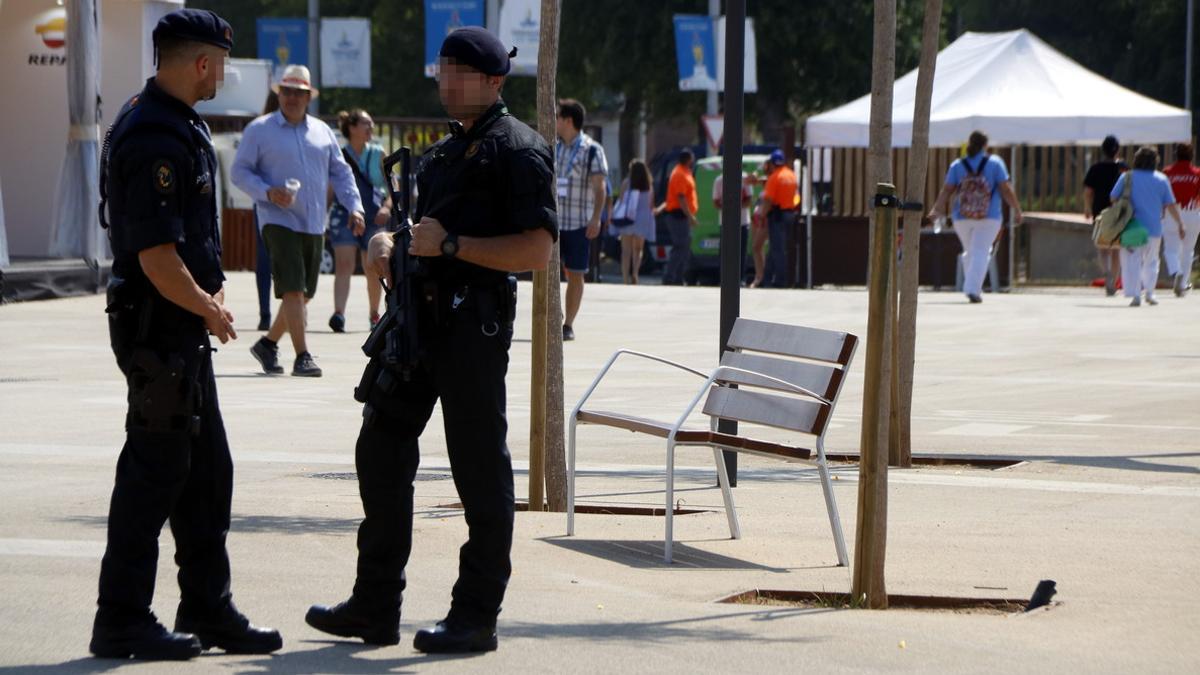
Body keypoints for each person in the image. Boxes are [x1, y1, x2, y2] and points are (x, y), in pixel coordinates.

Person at [304, 26, 556, 654]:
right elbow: (419, 229)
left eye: (459, 72)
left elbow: (538, 249)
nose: (445, 81)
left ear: (494, 82)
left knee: (478, 468)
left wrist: (451, 246)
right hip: (417, 322)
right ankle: (374, 603)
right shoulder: (445, 153)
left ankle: (475, 615)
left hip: (473, 328)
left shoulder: (517, 149)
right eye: (442, 69)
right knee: (381, 450)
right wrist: (389, 243)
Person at [90, 9, 281, 660]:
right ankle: (121, 616)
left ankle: (207, 607)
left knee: (206, 472)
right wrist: (207, 303)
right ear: (202, 62)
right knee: (154, 473)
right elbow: (153, 253)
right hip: (158, 330)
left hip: (180, 327)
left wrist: (206, 295)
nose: (222, 74)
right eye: (221, 63)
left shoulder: (173, 122)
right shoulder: (151, 134)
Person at [232, 64, 364, 377]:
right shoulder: (259, 129)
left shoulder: (322, 132)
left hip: (314, 221)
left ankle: (268, 344)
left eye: (298, 92)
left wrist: (355, 207)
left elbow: (341, 172)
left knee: (303, 293)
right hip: (277, 220)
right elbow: (240, 171)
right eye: (286, 91)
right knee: (292, 289)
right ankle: (302, 355)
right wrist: (267, 192)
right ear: (279, 94)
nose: (291, 97)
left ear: (308, 97)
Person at [928, 130, 1024, 303]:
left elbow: (947, 190)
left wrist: (937, 209)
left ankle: (973, 287)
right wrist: (1017, 209)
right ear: (985, 145)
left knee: (971, 252)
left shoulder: (958, 165)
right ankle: (972, 289)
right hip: (990, 216)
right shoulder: (995, 163)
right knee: (981, 251)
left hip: (961, 217)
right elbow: (1005, 189)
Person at [328, 108, 391, 332]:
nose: (370, 128)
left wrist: (387, 207)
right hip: (344, 213)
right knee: (343, 264)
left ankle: (374, 314)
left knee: (372, 266)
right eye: (366, 123)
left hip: (374, 215)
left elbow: (394, 187)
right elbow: (330, 188)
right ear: (352, 128)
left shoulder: (379, 153)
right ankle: (339, 314)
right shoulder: (339, 154)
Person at [554, 98, 607, 340]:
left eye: (557, 117)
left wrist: (596, 218)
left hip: (578, 223)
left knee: (575, 273)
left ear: (568, 121)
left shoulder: (592, 149)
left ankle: (568, 324)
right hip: (553, 222)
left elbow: (600, 188)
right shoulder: (553, 147)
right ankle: (550, 318)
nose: (554, 121)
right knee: (547, 271)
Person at [1111, 146, 1185, 307]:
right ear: (1155, 161)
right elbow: (1171, 204)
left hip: (1131, 227)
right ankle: (1150, 293)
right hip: (1154, 227)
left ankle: (1135, 294)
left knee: (1133, 261)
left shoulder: (1127, 177)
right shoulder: (1161, 179)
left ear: (1136, 160)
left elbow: (1113, 197)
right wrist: (1180, 223)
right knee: (1151, 261)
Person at [1084, 135, 1128, 296]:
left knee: (1102, 247)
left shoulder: (1096, 168)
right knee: (1116, 248)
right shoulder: (1123, 168)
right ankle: (1114, 282)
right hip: (1119, 212)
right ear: (1117, 150)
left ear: (1103, 150)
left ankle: (1107, 273)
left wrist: (1087, 208)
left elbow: (1088, 191)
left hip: (1099, 212)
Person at [253, 91, 280, 331]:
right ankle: (288, 308)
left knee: (264, 259)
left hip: (262, 199)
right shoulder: (289, 130)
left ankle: (265, 312)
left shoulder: (258, 130)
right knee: (285, 257)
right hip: (285, 201)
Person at [1161, 142, 1200, 297]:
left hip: (1172, 213)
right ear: (1192, 155)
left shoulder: (1167, 172)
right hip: (1193, 212)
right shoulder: (1197, 173)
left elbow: (1163, 195)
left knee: (1171, 249)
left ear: (1175, 154)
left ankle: (1176, 272)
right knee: (1188, 251)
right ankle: (1183, 283)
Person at [655, 149, 698, 285]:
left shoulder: (684, 172)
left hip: (680, 215)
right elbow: (680, 197)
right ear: (688, 159)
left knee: (684, 246)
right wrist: (690, 216)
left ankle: (678, 277)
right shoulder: (679, 173)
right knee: (680, 245)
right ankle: (670, 277)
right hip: (677, 215)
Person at [612, 159, 656, 284]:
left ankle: (625, 278)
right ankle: (635, 273)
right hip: (642, 219)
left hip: (628, 218)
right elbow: (651, 204)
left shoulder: (626, 183)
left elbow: (620, 200)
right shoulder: (648, 184)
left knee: (626, 251)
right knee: (638, 249)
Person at [759, 149, 799, 288]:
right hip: (789, 214)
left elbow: (769, 200)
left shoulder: (774, 177)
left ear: (772, 163)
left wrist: (762, 215)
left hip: (777, 216)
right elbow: (796, 196)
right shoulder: (791, 175)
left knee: (778, 250)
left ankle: (781, 281)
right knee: (775, 247)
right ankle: (767, 279)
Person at [712, 166, 753, 283]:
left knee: (741, 251)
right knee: (725, 251)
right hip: (725, 222)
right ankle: (724, 279)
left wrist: (736, 207)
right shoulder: (719, 181)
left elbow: (749, 200)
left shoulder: (744, 179)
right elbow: (715, 202)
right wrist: (727, 208)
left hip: (743, 221)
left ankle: (740, 278)